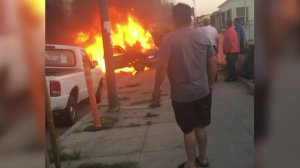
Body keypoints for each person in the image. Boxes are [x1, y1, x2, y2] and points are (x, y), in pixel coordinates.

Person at [152, 3, 218, 168]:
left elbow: (161, 67)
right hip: (203, 92)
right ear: (189, 17)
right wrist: (210, 84)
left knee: (188, 129)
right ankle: (203, 159)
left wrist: (156, 90)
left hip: (182, 95)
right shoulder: (203, 37)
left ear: (174, 18)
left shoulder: (169, 39)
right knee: (201, 126)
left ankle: (190, 164)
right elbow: (213, 62)